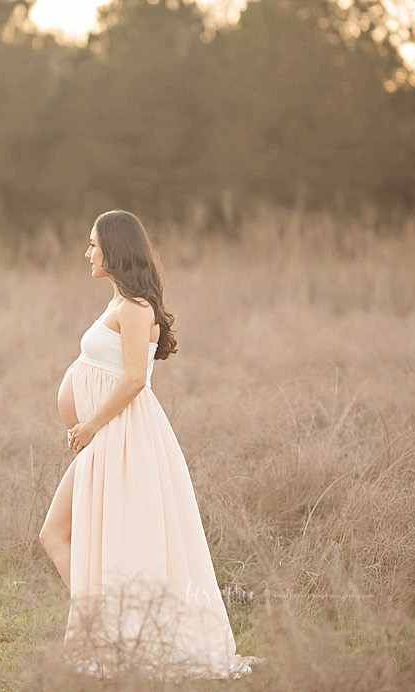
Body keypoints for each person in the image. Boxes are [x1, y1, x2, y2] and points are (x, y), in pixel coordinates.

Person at [37, 210, 260, 678]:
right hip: (104, 440)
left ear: (115, 249)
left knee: (116, 543)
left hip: (121, 439)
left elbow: (136, 379)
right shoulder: (119, 302)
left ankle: (121, 643)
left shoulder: (136, 308)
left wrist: (90, 426)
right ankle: (109, 635)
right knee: (56, 536)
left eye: (93, 244)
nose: (87, 253)